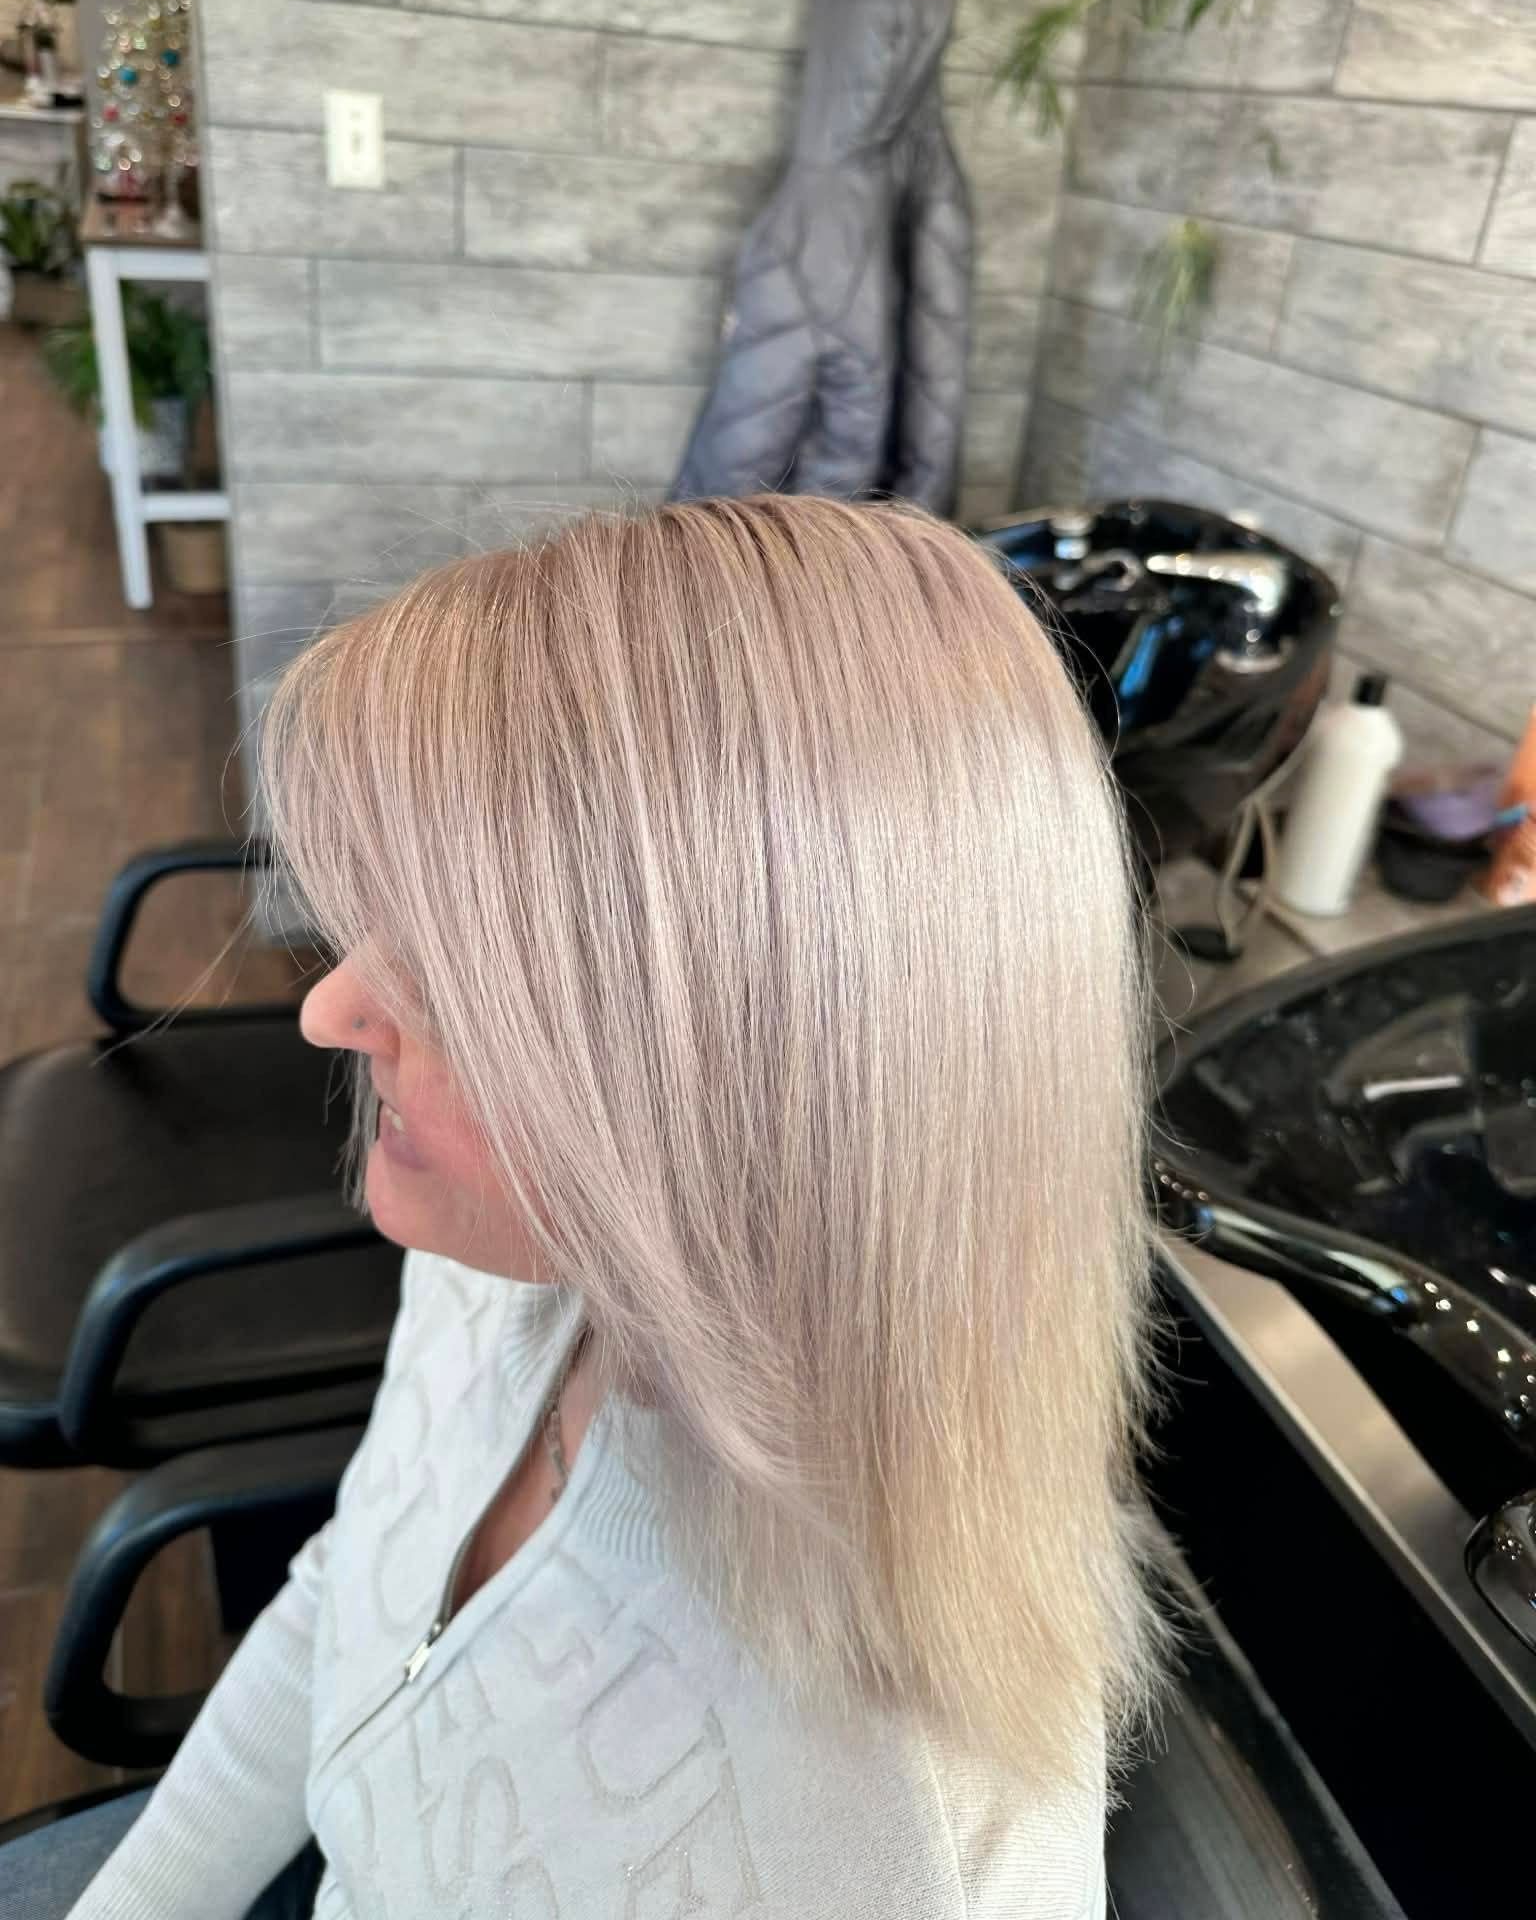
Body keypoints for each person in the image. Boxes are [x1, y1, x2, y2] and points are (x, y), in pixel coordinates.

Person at [47, 495, 1164, 1919]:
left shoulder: (886, 1857)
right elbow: (353, 1588)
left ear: (751, 1070)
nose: (329, 1007)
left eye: (457, 968)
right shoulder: (504, 1262)